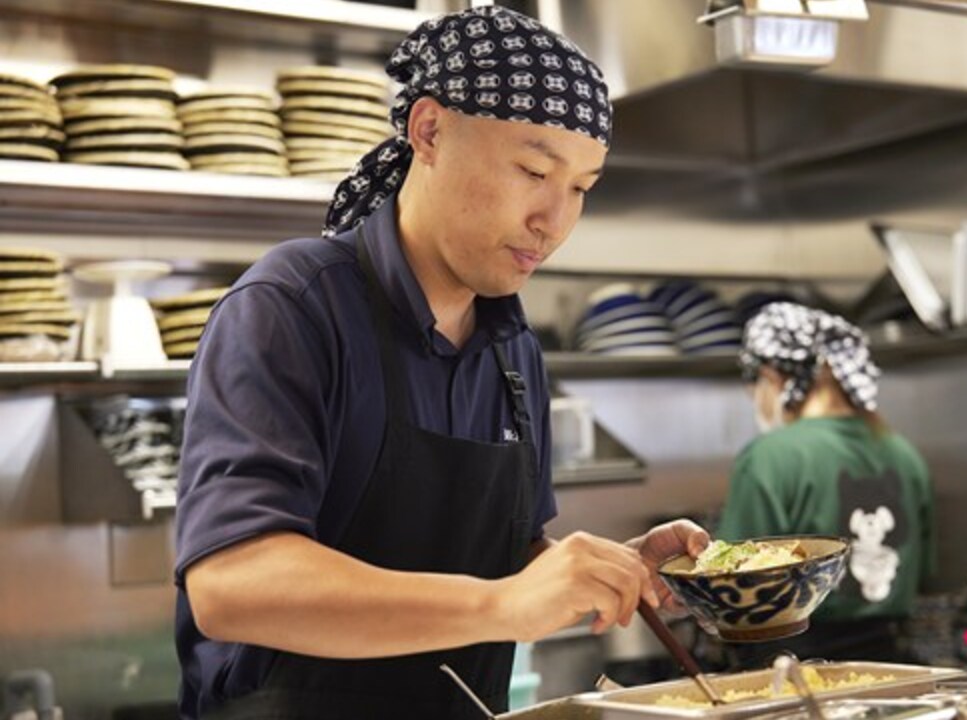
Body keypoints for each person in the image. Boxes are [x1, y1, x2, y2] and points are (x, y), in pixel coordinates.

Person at [172, 8, 708, 718]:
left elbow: (507, 562)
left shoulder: (514, 351)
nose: (555, 219)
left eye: (581, 186)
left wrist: (604, 572)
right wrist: (500, 603)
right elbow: (231, 584)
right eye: (533, 169)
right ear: (428, 131)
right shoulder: (292, 307)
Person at [717, 302, 934, 667]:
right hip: (891, 665)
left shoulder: (770, 457)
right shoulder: (904, 453)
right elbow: (924, 571)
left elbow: (734, 587)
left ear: (770, 377)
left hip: (793, 672)